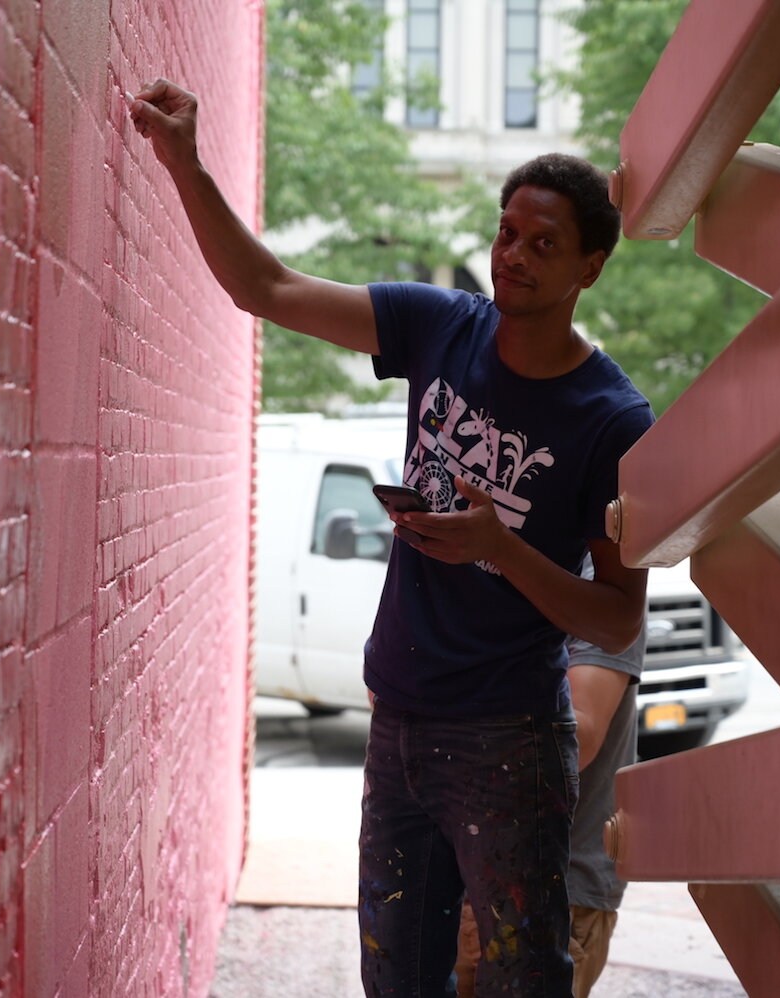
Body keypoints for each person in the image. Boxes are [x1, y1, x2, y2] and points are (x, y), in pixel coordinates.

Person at [128, 79, 653, 998]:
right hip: (399, 717)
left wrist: (501, 548)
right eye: (506, 232)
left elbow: (616, 619)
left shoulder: (612, 420)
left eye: (544, 244)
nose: (513, 257)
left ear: (591, 267)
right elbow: (268, 285)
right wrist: (186, 164)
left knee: (524, 982)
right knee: (399, 981)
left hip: (511, 738)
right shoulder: (438, 326)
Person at [454, 556, 643, 998]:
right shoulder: (477, 561)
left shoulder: (601, 583)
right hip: (465, 873)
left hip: (555, 885)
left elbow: (579, 737)